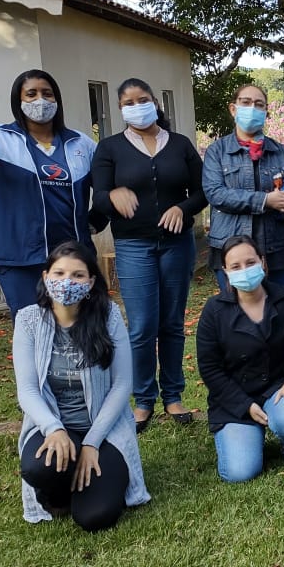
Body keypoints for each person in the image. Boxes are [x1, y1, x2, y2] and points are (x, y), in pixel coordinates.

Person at [0, 65, 106, 318]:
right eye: (31, 94)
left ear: (57, 99)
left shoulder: (80, 144)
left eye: (47, 93)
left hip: (73, 258)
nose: (41, 100)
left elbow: (108, 187)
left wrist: (95, 221)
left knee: (79, 328)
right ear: (19, 101)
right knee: (33, 331)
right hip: (20, 259)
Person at [91, 78, 206, 430]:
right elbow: (98, 197)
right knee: (141, 327)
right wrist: (113, 197)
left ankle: (173, 396)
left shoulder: (181, 145)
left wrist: (183, 209)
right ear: (120, 108)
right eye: (128, 102)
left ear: (155, 103)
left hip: (176, 245)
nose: (136, 106)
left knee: (172, 324)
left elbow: (203, 191)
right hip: (133, 245)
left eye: (142, 99)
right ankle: (143, 400)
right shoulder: (109, 148)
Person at [13, 241, 151, 531]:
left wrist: (91, 443)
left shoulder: (108, 315)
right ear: (45, 277)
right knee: (39, 468)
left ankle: (86, 478)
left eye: (77, 275)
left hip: (103, 428)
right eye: (59, 273)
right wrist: (54, 429)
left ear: (90, 283)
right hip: (54, 426)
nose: (67, 282)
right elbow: (27, 390)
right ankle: (62, 487)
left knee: (95, 517)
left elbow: (122, 384)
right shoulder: (28, 320)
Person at [196, 236, 284, 481]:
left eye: (250, 262)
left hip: (279, 388)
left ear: (262, 263)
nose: (244, 270)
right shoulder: (214, 312)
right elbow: (210, 369)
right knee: (239, 473)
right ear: (226, 272)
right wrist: (244, 406)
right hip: (235, 400)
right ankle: (250, 436)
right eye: (236, 266)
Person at [203, 82, 284, 290]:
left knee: (280, 313)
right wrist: (266, 200)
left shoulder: (282, 153)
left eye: (259, 104)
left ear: (266, 111)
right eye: (246, 102)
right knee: (236, 317)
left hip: (276, 251)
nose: (252, 108)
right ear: (233, 108)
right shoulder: (217, 152)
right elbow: (215, 193)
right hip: (231, 252)